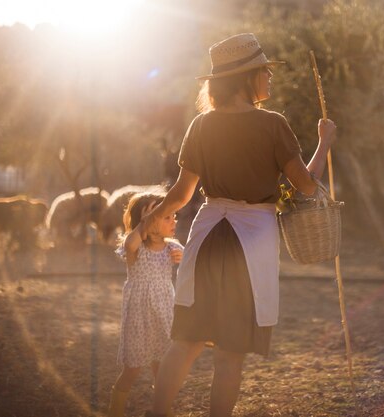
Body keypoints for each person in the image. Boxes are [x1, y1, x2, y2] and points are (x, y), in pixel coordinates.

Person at [142, 33, 337, 417]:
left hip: (207, 236)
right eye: (264, 71)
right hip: (250, 245)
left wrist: (150, 218)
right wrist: (325, 142)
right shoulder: (272, 125)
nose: (270, 77)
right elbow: (306, 186)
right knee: (230, 355)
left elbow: (181, 195)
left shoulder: (201, 125)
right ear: (247, 77)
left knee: (186, 341)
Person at [108, 192, 184, 417]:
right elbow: (131, 242)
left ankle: (162, 411)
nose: (171, 220)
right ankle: (115, 411)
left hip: (163, 314)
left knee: (162, 368)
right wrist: (146, 223)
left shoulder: (172, 247)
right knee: (132, 368)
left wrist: (181, 255)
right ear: (143, 220)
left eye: (172, 215)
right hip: (139, 316)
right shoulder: (135, 246)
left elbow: (185, 257)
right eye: (163, 216)